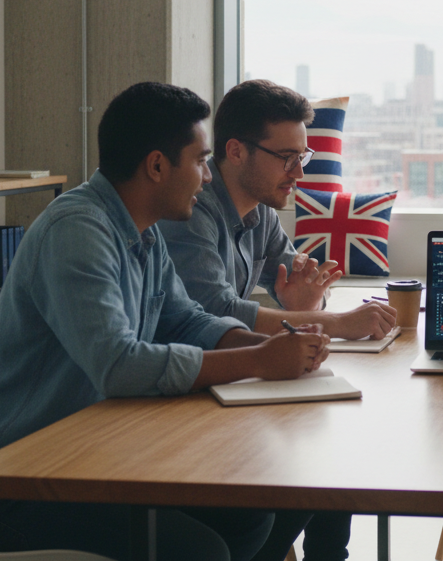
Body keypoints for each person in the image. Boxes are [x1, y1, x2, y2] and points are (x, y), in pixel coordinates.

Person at [0, 83, 330, 561]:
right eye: (201, 161)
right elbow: (118, 365)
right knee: (201, 552)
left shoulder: (142, 232)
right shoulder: (78, 232)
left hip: (86, 456)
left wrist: (268, 348)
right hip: (6, 480)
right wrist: (258, 360)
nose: (208, 178)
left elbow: (186, 319)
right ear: (157, 166)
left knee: (255, 517)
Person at [159, 79, 398, 560]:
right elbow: (218, 310)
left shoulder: (261, 212)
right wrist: (339, 323)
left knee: (329, 441)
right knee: (314, 459)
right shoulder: (192, 211)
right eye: (287, 158)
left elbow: (299, 294)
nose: (299, 173)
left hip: (228, 381)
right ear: (237, 152)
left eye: (303, 158)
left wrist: (306, 305)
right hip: (188, 399)